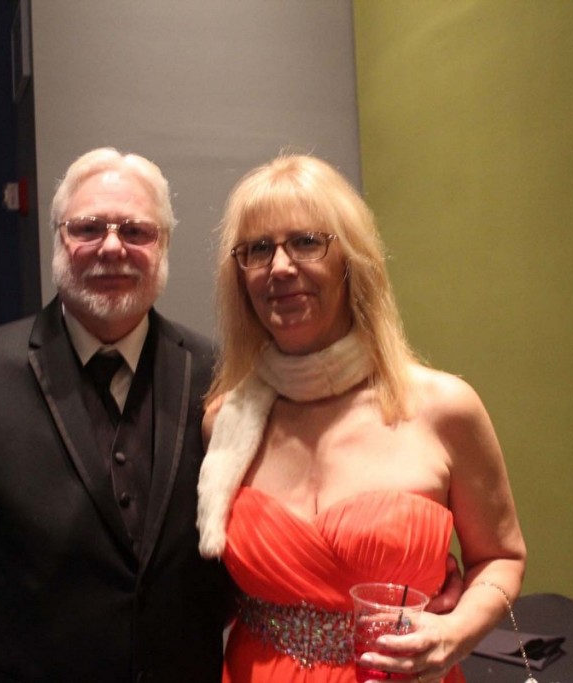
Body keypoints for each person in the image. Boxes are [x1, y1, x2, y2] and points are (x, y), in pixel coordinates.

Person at [0, 147, 232, 682]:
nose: (112, 247)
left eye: (136, 231)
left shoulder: (219, 375)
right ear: (58, 240)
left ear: (164, 245)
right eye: (88, 228)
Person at [197, 154, 528, 683]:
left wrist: (455, 632)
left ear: (352, 262)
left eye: (306, 241)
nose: (279, 267)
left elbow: (502, 556)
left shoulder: (444, 409)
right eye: (258, 249)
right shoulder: (224, 425)